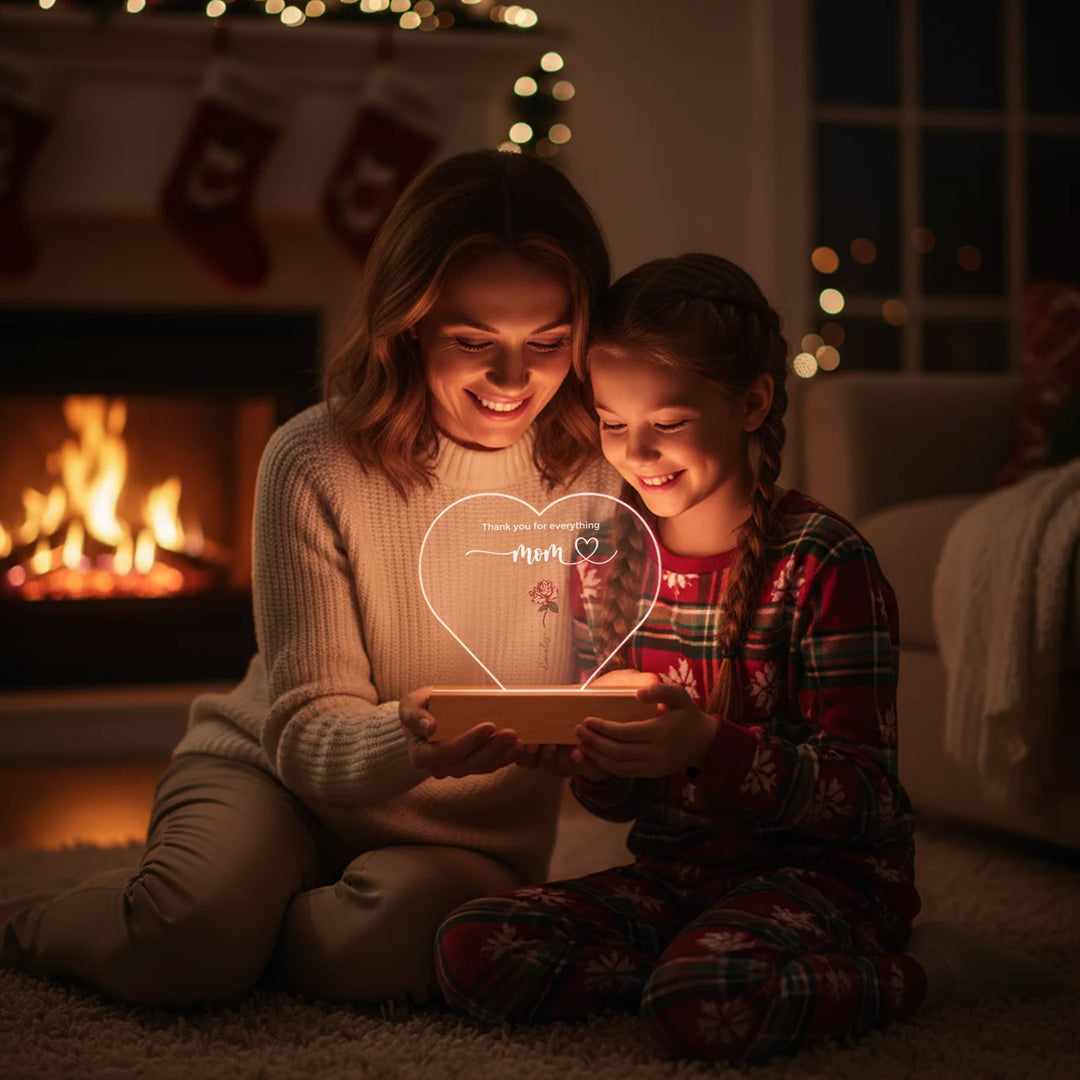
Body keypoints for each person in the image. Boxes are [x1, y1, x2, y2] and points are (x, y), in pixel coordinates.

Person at [0, 148, 618, 1008]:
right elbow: (307, 732)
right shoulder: (314, 458)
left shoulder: (604, 473)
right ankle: (47, 922)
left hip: (465, 839)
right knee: (182, 946)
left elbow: (606, 672)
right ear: (408, 323)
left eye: (548, 343)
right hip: (277, 778)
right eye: (473, 342)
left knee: (396, 952)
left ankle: (239, 932)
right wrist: (409, 739)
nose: (515, 381)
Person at [433, 253, 1073, 1062]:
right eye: (612, 421)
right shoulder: (603, 553)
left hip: (825, 881)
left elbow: (868, 801)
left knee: (704, 1006)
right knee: (471, 946)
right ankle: (702, 963)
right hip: (676, 879)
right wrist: (586, 755)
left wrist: (706, 744)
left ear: (753, 402)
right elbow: (619, 808)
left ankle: (924, 968)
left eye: (667, 423)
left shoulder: (823, 561)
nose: (637, 452)